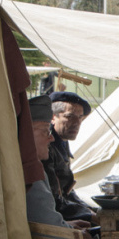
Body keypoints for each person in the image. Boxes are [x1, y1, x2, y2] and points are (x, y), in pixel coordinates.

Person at [26, 95, 103, 239]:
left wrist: (67, 227)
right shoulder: (30, 173)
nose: (50, 138)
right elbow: (46, 221)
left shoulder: (25, 166)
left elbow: (36, 219)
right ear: (24, 136)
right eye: (44, 131)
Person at [43, 91, 98, 225]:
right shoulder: (46, 148)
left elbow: (67, 191)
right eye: (69, 117)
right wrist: (89, 215)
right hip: (56, 221)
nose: (76, 123)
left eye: (79, 117)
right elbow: (54, 200)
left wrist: (90, 210)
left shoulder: (62, 143)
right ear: (53, 117)